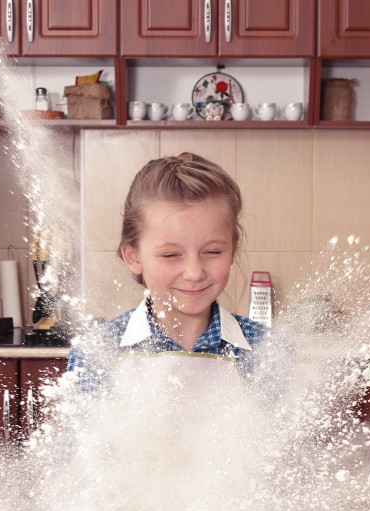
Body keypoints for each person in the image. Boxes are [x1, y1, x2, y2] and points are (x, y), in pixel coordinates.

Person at [66, 152, 285, 397]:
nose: (194, 272)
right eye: (171, 255)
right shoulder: (97, 351)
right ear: (134, 257)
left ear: (232, 249)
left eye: (212, 251)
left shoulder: (267, 351)